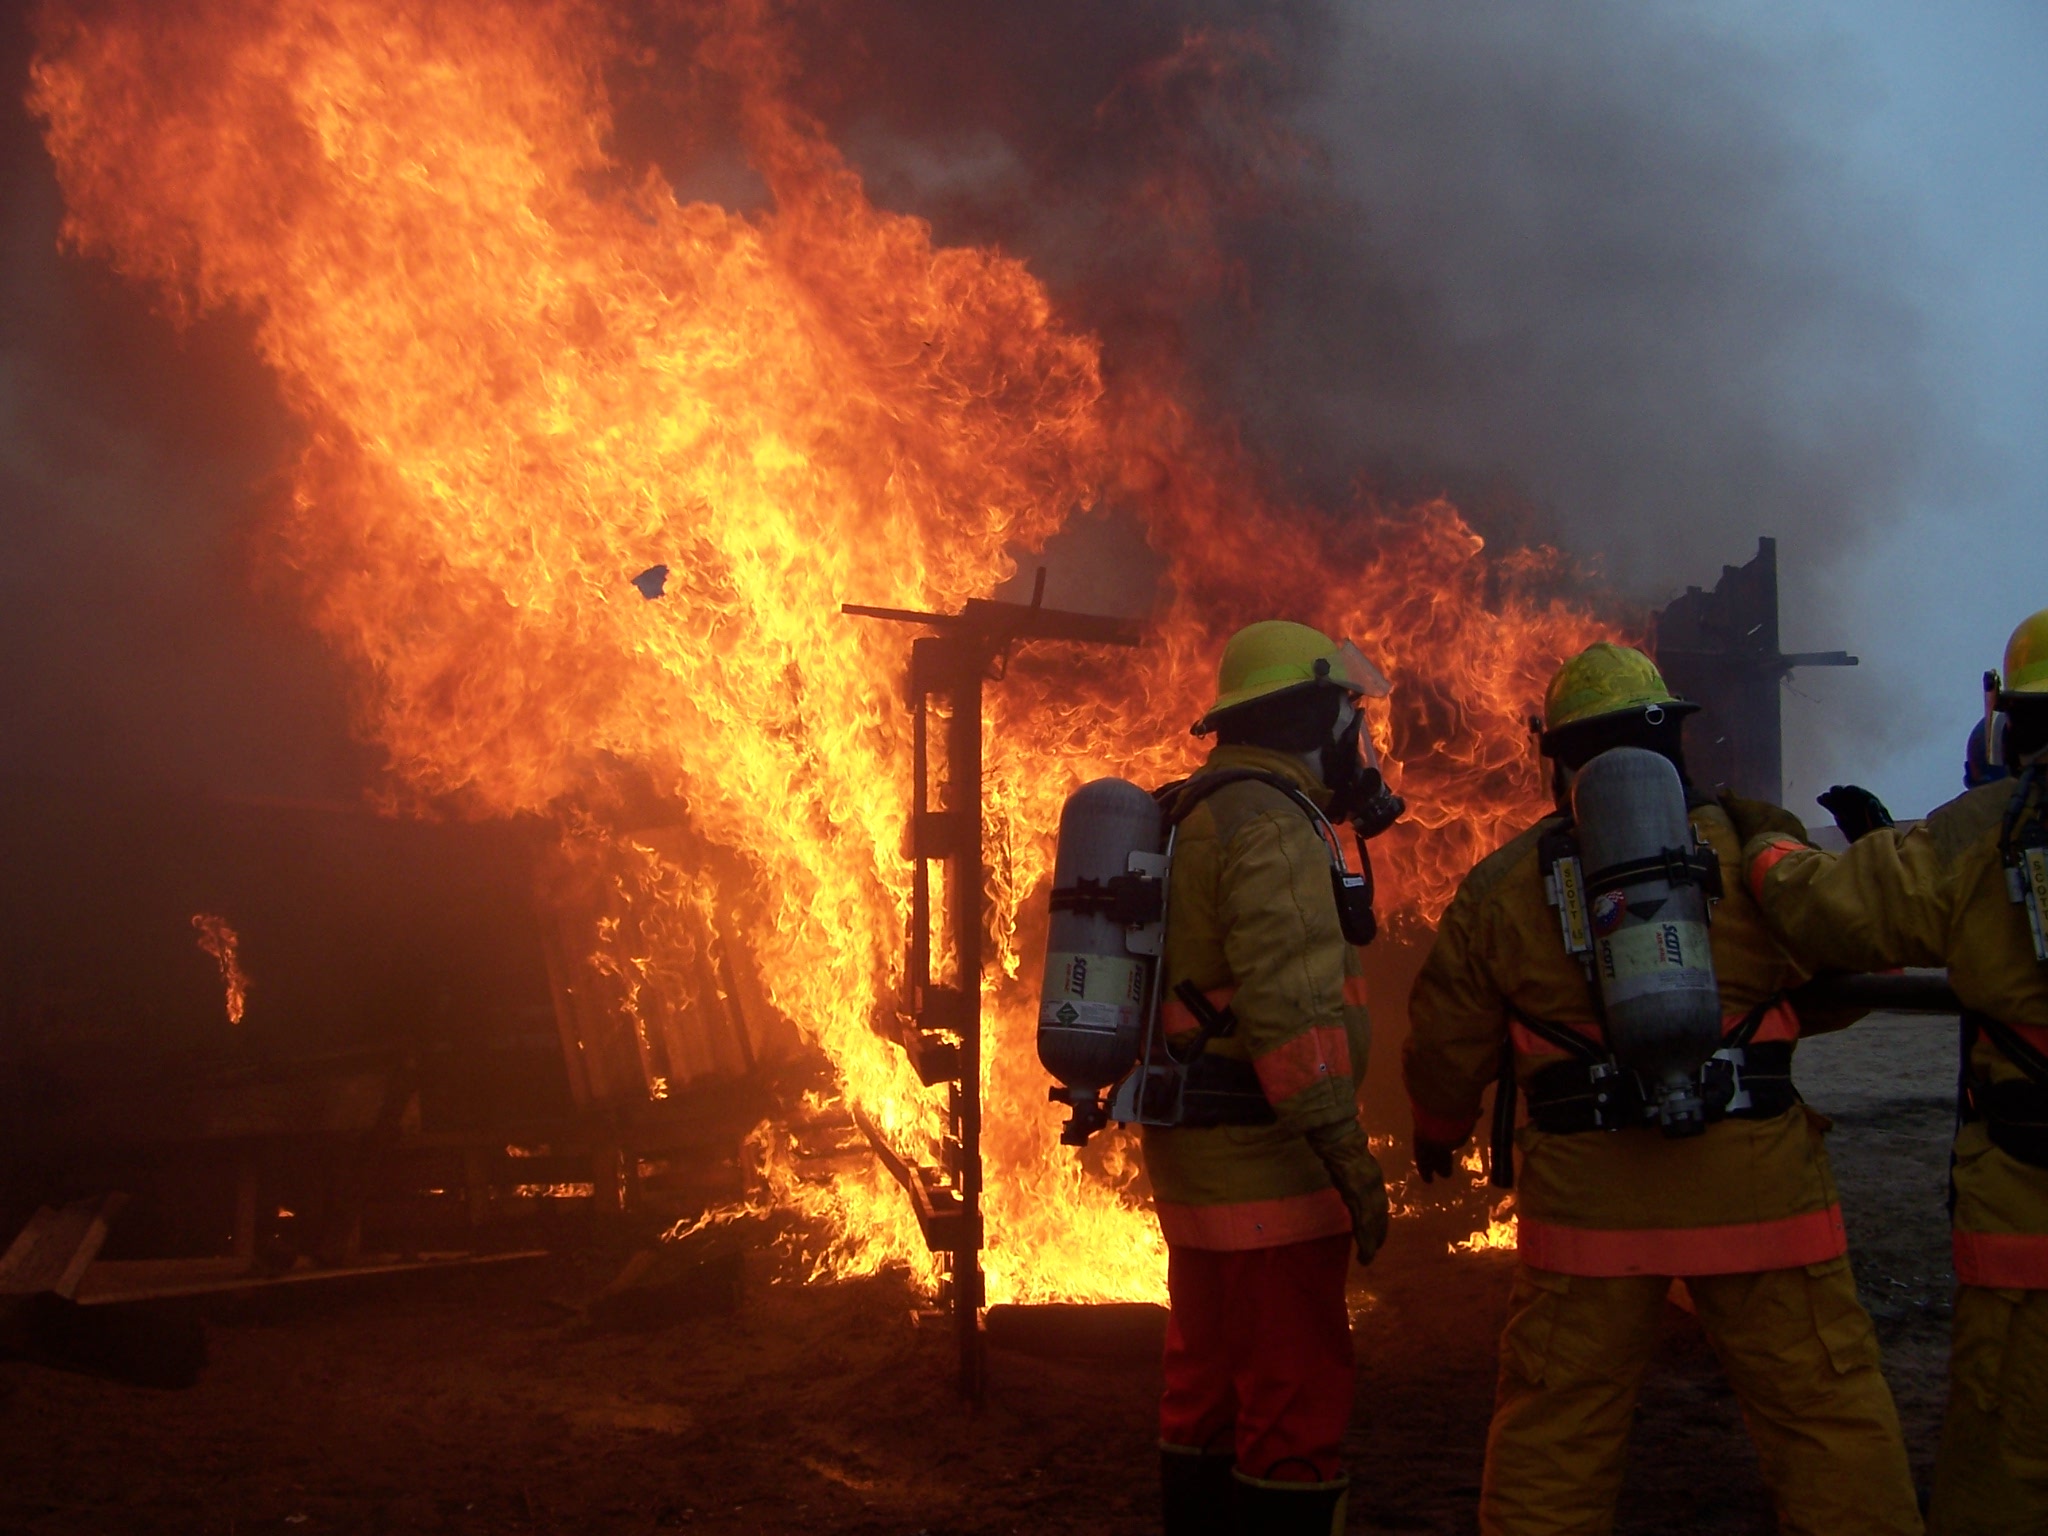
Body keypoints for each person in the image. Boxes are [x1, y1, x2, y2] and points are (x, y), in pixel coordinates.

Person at [1404, 641, 1921, 1536]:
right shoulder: (1755, 852)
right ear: (1674, 741)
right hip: (1759, 1192)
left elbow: (1450, 1043)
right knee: (1825, 1415)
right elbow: (1846, 970)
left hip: (1589, 1212)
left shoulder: (1502, 887)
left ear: (1557, 756)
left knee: (1555, 1431)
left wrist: (1439, 1127)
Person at [1739, 607, 2048, 1535]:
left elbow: (1831, 911)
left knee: (2008, 1461)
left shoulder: (1990, 833)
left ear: (2006, 723)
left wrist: (1762, 844)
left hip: (2035, 1213)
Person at [1150, 620, 1400, 1536]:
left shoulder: (1198, 811)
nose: (1360, 743)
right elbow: (1291, 1006)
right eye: (1352, 717)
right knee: (1292, 1404)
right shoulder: (1272, 821)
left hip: (1203, 1172)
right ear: (1313, 715)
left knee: (1205, 1397)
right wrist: (1345, 1151)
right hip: (1270, 1173)